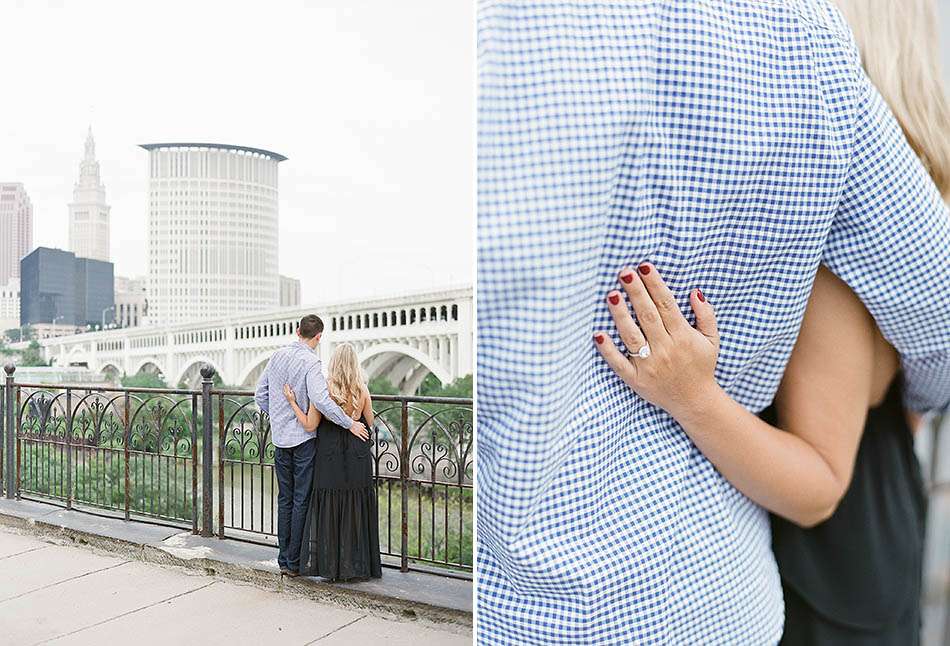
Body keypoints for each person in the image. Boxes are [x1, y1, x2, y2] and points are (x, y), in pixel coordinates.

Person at [477, 1, 950, 644]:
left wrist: (695, 396)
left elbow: (819, 486)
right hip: (853, 529)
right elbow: (932, 338)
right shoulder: (812, 72)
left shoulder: (840, 253)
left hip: (819, 546)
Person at [254, 315, 369, 578]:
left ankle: (283, 559)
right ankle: (294, 563)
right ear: (319, 337)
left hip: (280, 439)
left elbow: (260, 395)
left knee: (284, 499)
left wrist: (278, 416)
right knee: (301, 499)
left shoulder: (277, 356)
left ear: (297, 331)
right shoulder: (310, 362)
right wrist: (349, 424)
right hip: (304, 442)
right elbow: (321, 400)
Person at [282, 342, 382, 581]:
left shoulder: (324, 390)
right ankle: (356, 565)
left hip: (329, 455)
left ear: (333, 364)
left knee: (329, 507)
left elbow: (309, 425)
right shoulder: (362, 390)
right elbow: (370, 424)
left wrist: (292, 402)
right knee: (355, 506)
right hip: (357, 454)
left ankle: (331, 567)